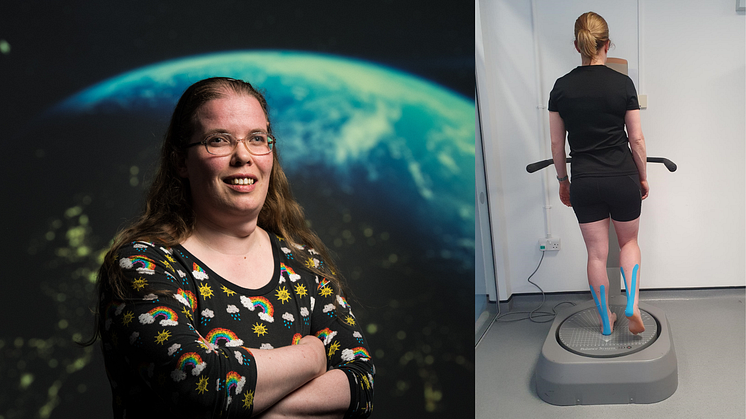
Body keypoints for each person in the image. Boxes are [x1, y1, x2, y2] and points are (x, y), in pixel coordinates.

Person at [91, 77, 374, 418]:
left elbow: (360, 384)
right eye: (219, 140)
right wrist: (312, 356)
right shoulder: (142, 265)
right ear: (181, 161)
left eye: (257, 139)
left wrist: (271, 413)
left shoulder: (304, 265)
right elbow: (203, 387)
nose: (243, 156)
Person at [548, 12, 648, 336]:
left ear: (576, 45)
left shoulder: (561, 88)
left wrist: (563, 181)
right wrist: (643, 176)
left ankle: (606, 320)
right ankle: (631, 301)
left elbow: (555, 142)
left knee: (596, 254)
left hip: (586, 182)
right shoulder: (622, 84)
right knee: (629, 241)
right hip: (622, 178)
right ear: (607, 44)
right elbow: (636, 139)